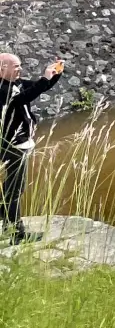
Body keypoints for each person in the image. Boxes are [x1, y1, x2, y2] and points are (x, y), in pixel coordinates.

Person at [1, 53, 63, 244]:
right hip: (12, 145)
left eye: (20, 65)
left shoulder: (16, 83)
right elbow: (23, 98)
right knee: (15, 189)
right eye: (16, 66)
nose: (20, 69)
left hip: (18, 144)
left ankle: (6, 220)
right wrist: (44, 78)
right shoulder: (2, 89)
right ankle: (16, 233)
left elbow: (37, 88)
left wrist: (55, 74)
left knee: (13, 187)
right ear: (2, 68)